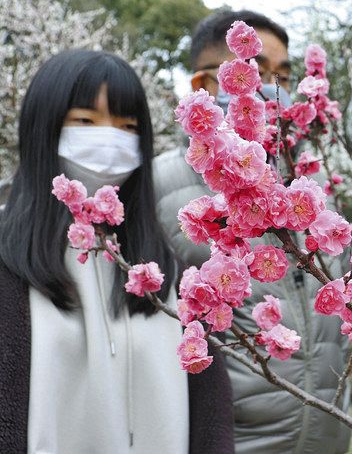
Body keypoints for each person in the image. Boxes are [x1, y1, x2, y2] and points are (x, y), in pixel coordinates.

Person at [0, 50, 234, 453]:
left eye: (128, 127)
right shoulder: (8, 259)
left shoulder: (163, 269)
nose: (110, 141)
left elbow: (210, 416)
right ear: (43, 127)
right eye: (85, 121)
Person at [153, 10, 352, 454]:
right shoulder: (160, 185)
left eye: (283, 73)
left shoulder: (311, 178)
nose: (272, 85)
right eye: (257, 71)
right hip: (224, 438)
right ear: (205, 86)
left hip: (328, 432)